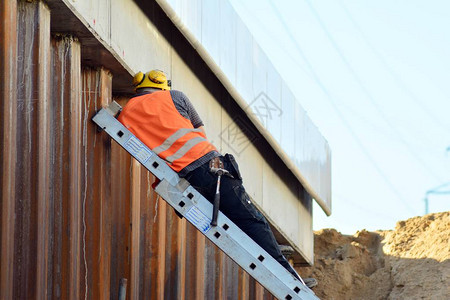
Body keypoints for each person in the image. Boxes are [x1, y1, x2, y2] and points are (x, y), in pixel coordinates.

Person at [118, 70, 316, 288]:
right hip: (211, 169)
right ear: (162, 85)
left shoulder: (126, 115)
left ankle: (277, 261)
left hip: (184, 183)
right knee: (252, 221)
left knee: (235, 228)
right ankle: (291, 279)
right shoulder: (175, 96)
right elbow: (200, 131)